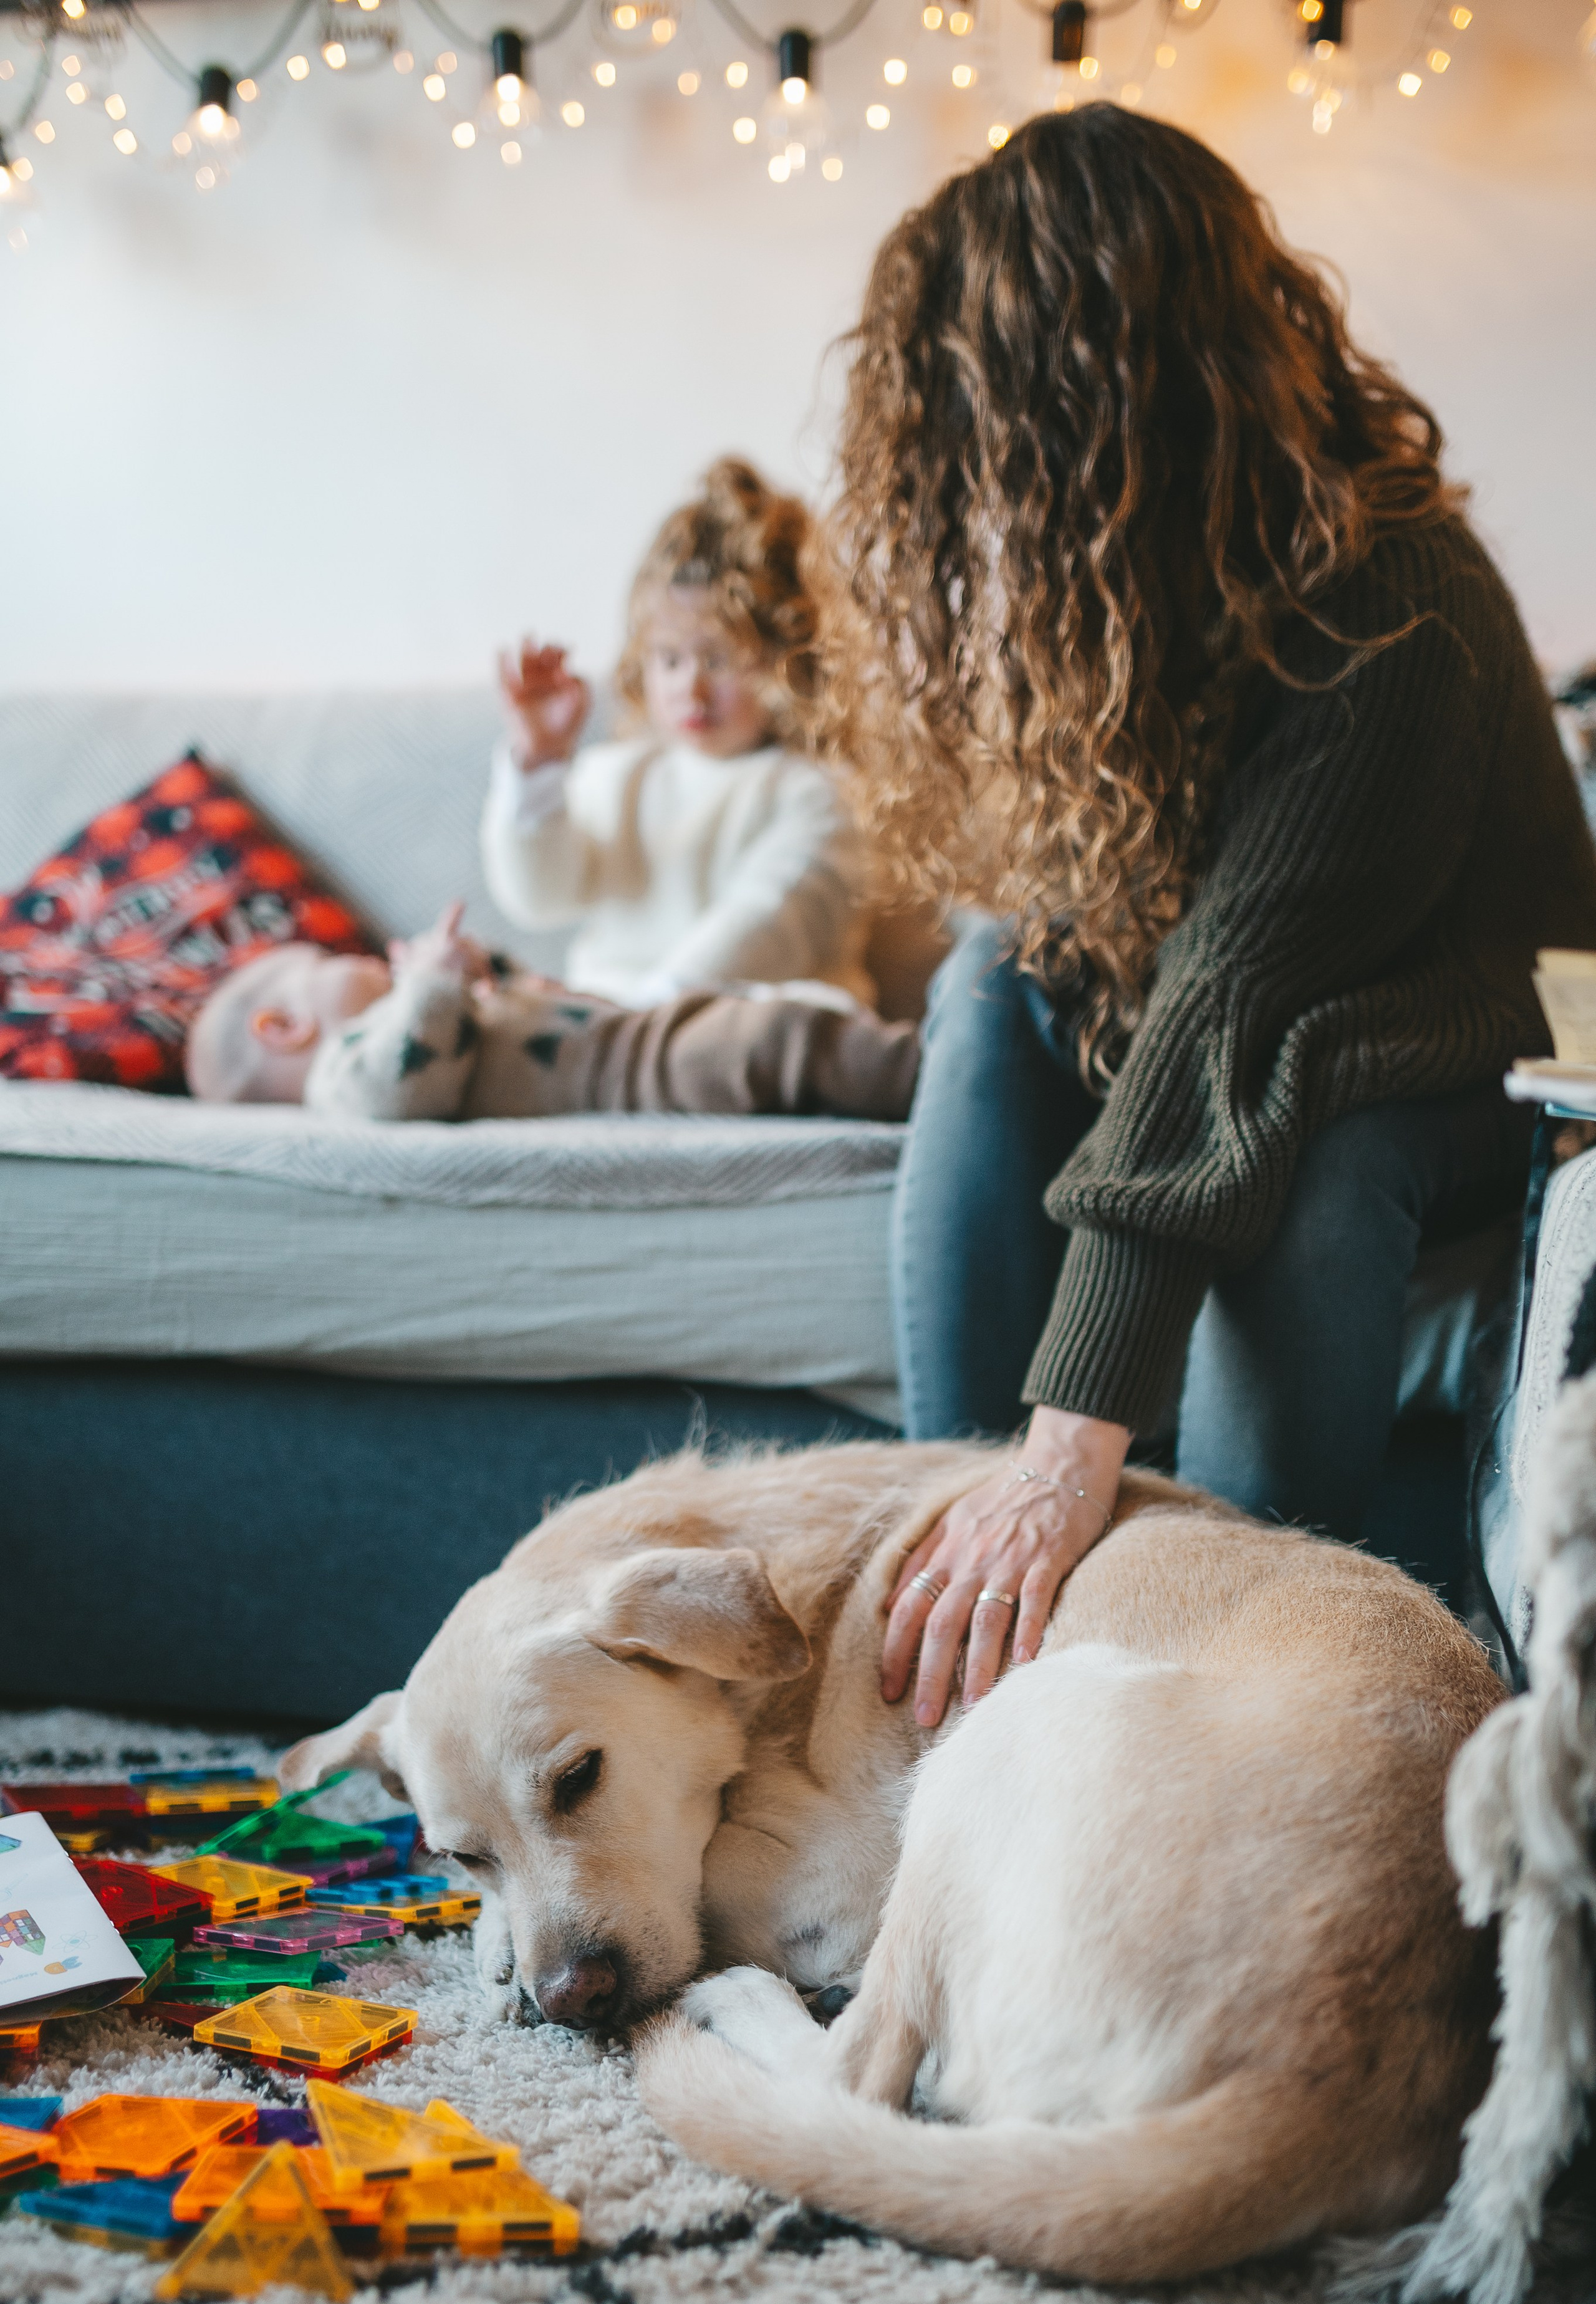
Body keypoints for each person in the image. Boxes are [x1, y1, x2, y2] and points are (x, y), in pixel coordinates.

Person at [804, 107, 1596, 1727]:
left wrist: (1071, 1452)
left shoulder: (1398, 593)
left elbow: (1226, 1017)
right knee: (996, 971)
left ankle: (1230, 1672)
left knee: (1314, 1137)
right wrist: (1007, 1481)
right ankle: (946, 1587)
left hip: (1475, 1030)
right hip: (1295, 1021)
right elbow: (1153, 974)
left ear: (1111, 390)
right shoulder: (1139, 592)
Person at [481, 457, 874, 1010]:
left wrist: (643, 1015)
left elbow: (765, 926)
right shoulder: (618, 775)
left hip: (746, 1018)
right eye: (669, 659)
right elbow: (539, 897)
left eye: (721, 661)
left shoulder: (817, 794)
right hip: (612, 1017)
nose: (691, 690)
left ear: (793, 663)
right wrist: (540, 762)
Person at [183, 903, 917, 1123]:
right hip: (634, 1077)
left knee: (787, 1030)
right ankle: (928, 1073)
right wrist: (429, 986)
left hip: (635, 1035)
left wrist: (476, 970)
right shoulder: (343, 1080)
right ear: (283, 1027)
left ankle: (924, 1059)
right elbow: (400, 1088)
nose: (365, 958)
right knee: (780, 1043)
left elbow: (504, 1008)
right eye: (329, 963)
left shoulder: (409, 1023)